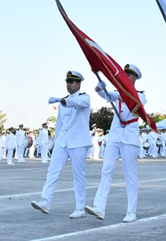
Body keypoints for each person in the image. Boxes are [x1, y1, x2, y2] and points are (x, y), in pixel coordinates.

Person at [85, 64, 146, 223]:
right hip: (115, 135)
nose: (126, 77)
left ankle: (131, 211)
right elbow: (105, 94)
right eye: (125, 74)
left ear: (135, 78)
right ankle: (99, 207)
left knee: (130, 175)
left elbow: (134, 103)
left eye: (129, 75)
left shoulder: (141, 95)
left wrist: (118, 95)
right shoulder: (117, 93)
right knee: (106, 170)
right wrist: (100, 87)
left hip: (129, 138)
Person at [31, 71, 92, 218]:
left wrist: (60, 100)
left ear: (78, 84)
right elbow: (59, 123)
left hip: (78, 142)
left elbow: (76, 103)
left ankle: (80, 208)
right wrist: (57, 140)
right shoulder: (63, 102)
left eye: (71, 82)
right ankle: (45, 201)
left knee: (78, 175)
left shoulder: (84, 98)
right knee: (52, 171)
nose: (68, 84)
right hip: (63, 141)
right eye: (67, 82)